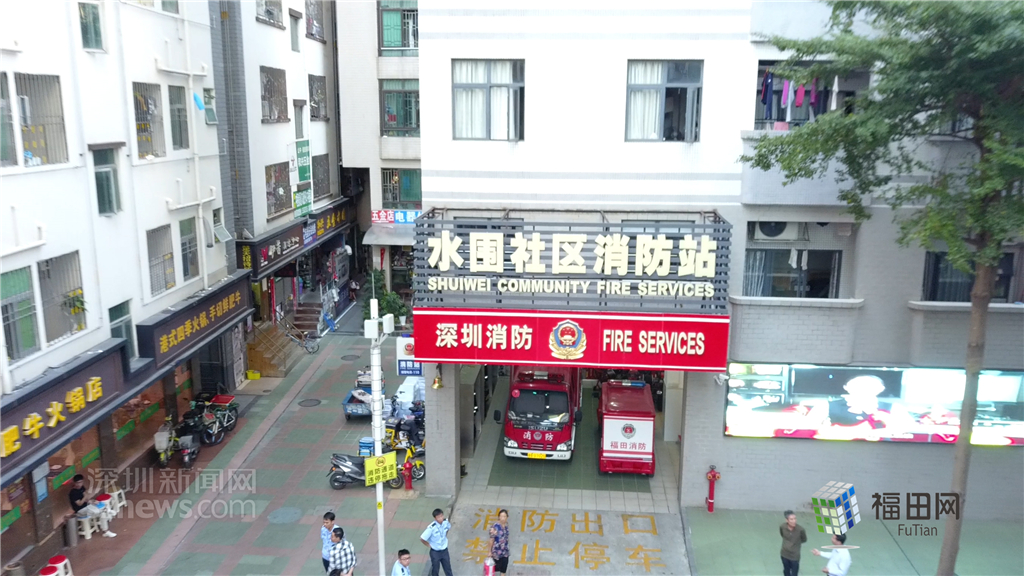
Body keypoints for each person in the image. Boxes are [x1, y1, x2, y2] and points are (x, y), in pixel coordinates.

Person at [420, 508, 453, 576]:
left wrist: (444, 537)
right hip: (435, 552)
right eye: (438, 517)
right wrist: (429, 545)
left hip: (444, 550)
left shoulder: (445, 522)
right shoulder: (431, 528)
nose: (441, 518)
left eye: (441, 516)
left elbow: (448, 528)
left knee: (448, 568)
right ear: (435, 518)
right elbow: (422, 538)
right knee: (435, 569)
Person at [779, 510, 807, 576]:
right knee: (786, 571)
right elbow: (782, 534)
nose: (794, 521)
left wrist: (795, 543)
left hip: (794, 556)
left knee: (794, 573)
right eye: (791, 519)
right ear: (787, 520)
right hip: (784, 554)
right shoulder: (783, 527)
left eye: (795, 519)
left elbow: (804, 539)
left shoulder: (800, 530)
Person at [489, 509, 510, 575]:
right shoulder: (495, 527)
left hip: (505, 552)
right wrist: (489, 551)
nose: (503, 518)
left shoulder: (506, 527)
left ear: (507, 517)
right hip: (496, 553)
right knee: (493, 569)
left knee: (503, 570)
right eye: (501, 516)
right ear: (499, 517)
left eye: (504, 516)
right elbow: (491, 540)